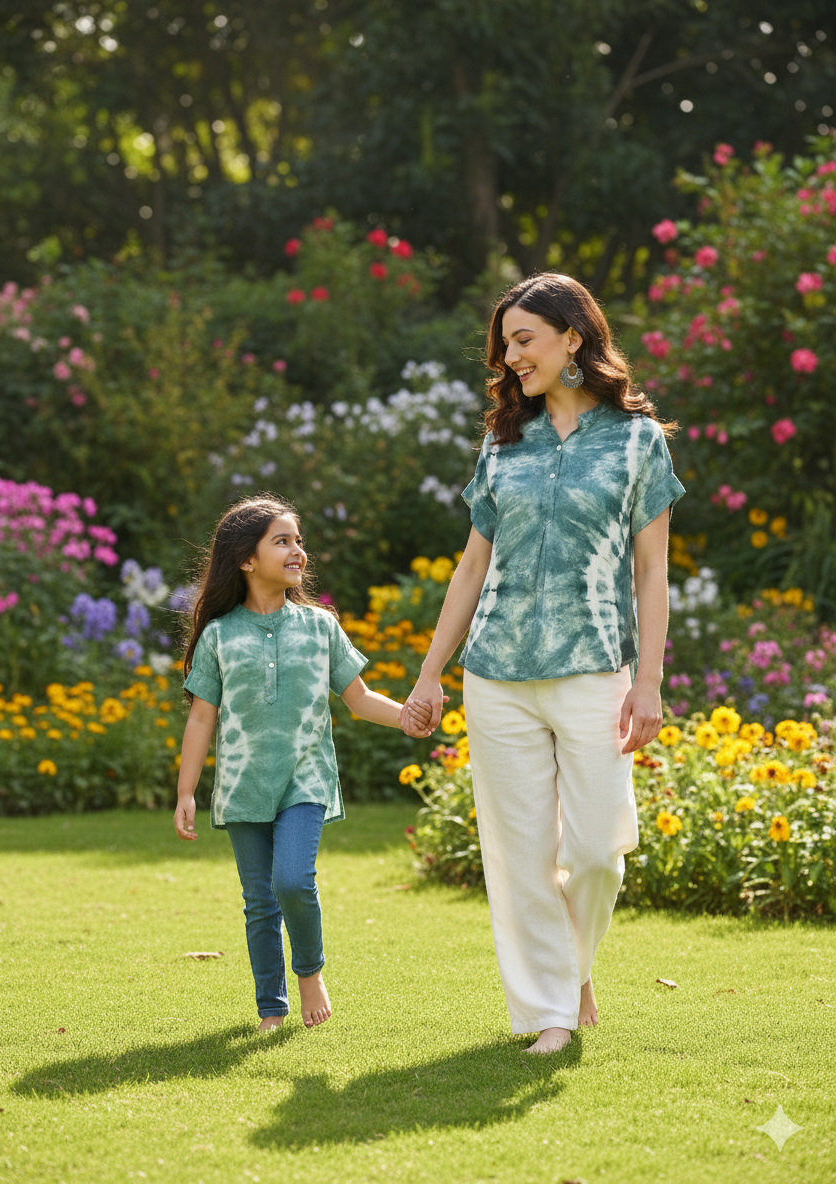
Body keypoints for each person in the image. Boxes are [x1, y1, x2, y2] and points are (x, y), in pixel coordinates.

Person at [402, 273, 685, 1054]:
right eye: (505, 344)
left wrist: (650, 682)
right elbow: (469, 569)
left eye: (523, 339)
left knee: (596, 850)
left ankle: (570, 965)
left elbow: (652, 573)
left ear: (573, 338)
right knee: (521, 854)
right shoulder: (504, 442)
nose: (509, 356)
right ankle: (551, 1014)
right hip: (496, 672)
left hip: (596, 666)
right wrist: (430, 674)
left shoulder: (638, 442)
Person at [173, 495, 431, 1031]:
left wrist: (406, 716)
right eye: (282, 541)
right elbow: (201, 719)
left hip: (305, 780)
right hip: (243, 786)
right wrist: (185, 793)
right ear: (246, 559)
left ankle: (309, 972)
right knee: (259, 902)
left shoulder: (320, 627)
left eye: (298, 540)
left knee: (292, 880)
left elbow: (358, 699)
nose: (298, 551)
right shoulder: (220, 636)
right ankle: (271, 1008)